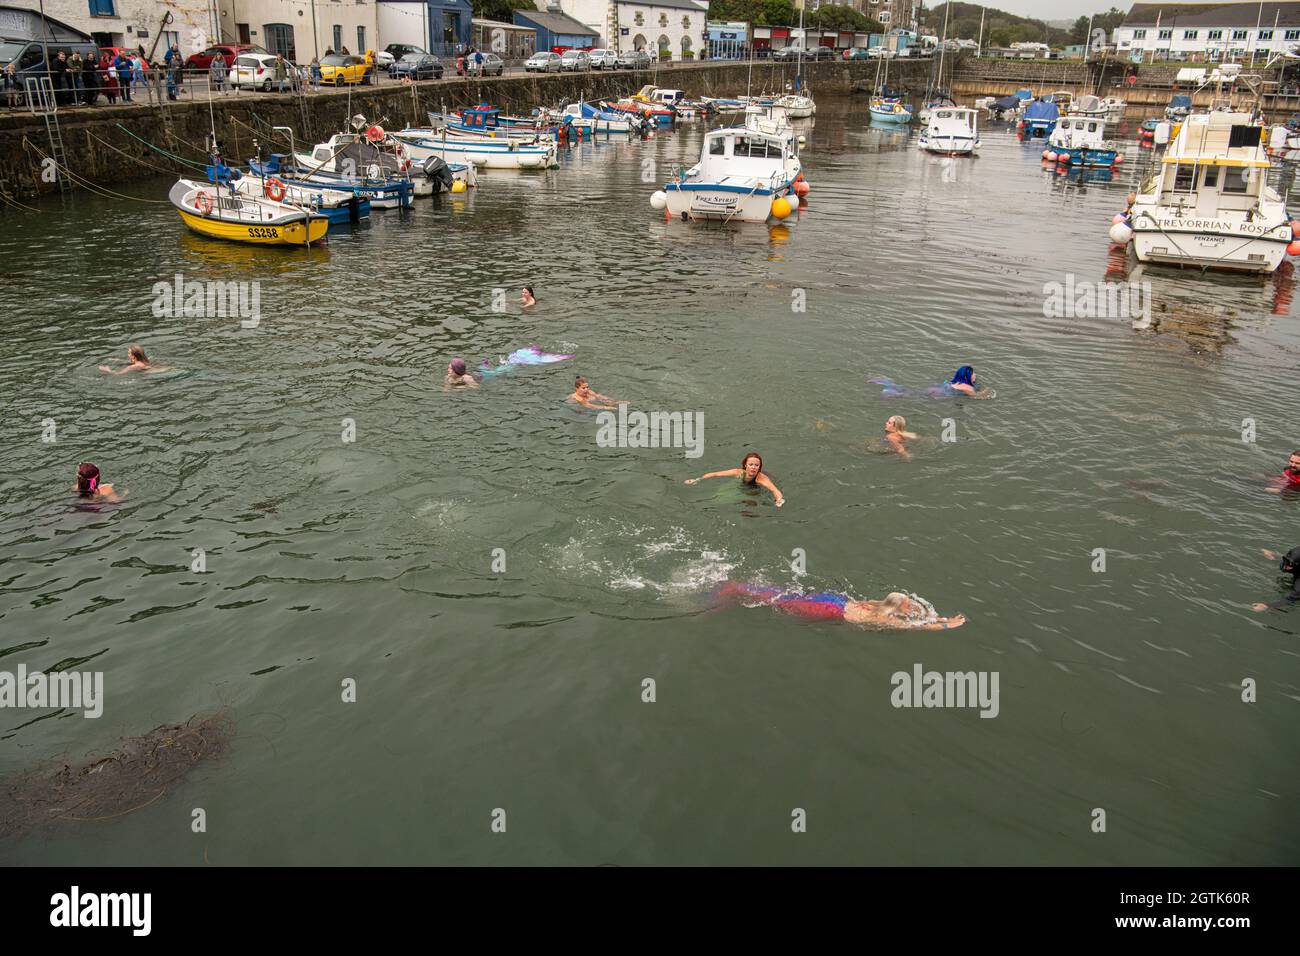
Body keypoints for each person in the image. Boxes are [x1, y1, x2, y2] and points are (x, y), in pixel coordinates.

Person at [713, 581, 966, 630]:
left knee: (784, 596)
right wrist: (948, 625)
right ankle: (732, 590)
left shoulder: (877, 606)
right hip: (831, 610)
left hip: (835, 600)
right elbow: (918, 628)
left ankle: (739, 585)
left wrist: (941, 618)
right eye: (907, 605)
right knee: (781, 602)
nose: (910, 609)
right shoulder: (883, 619)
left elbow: (919, 621)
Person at [684, 451, 785, 507]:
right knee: (720, 496)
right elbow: (716, 474)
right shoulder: (739, 472)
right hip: (744, 483)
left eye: (756, 465)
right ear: (745, 465)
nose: (754, 467)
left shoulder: (761, 479)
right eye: (751, 464)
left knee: (750, 501)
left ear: (759, 467)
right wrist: (697, 479)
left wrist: (779, 500)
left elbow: (775, 490)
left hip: (756, 487)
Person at [1252, 547, 1300, 611]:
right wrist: (1273, 556)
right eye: (1286, 561)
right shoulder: (1290, 564)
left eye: (1291, 564)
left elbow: (1291, 599)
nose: (1286, 566)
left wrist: (1267, 606)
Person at [98, 345, 162, 375]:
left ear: (133, 356)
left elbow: (118, 374)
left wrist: (107, 370)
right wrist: (119, 361)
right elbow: (134, 362)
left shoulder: (133, 367)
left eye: (129, 353)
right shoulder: (146, 361)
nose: (128, 355)